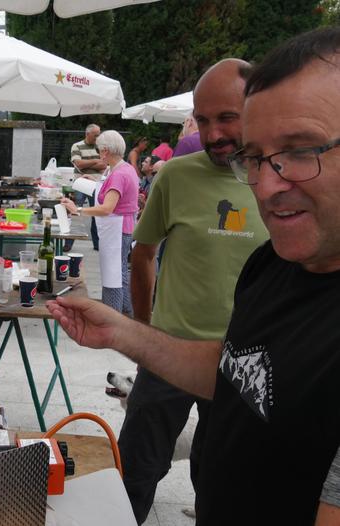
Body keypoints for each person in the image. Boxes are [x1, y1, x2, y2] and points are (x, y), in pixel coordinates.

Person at [48, 26, 340, 525]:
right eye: (255, 158)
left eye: (300, 150)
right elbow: (240, 370)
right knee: (138, 467)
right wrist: (124, 331)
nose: (266, 185)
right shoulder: (271, 263)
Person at [119, 58, 270, 524]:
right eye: (202, 120)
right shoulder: (175, 176)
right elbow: (142, 255)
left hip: (245, 360)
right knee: (133, 474)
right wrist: (144, 335)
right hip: (169, 352)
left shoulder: (278, 179)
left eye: (226, 117)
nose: (212, 134)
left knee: (223, 485)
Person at [61, 130, 139, 316]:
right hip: (122, 228)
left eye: (99, 150)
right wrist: (96, 181)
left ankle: (112, 317)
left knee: (113, 275)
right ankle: (126, 313)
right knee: (120, 272)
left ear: (105, 151)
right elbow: (111, 188)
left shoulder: (119, 174)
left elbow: (107, 208)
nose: (98, 154)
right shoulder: (123, 168)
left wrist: (77, 210)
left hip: (117, 230)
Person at [63, 124, 104, 252]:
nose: (97, 137)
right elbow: (78, 164)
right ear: (87, 134)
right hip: (80, 183)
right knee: (75, 212)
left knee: (96, 214)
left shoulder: (100, 147)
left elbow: (104, 165)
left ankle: (97, 244)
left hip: (96, 184)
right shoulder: (77, 146)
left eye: (99, 135)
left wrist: (86, 163)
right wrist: (95, 161)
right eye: (95, 135)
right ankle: (69, 242)